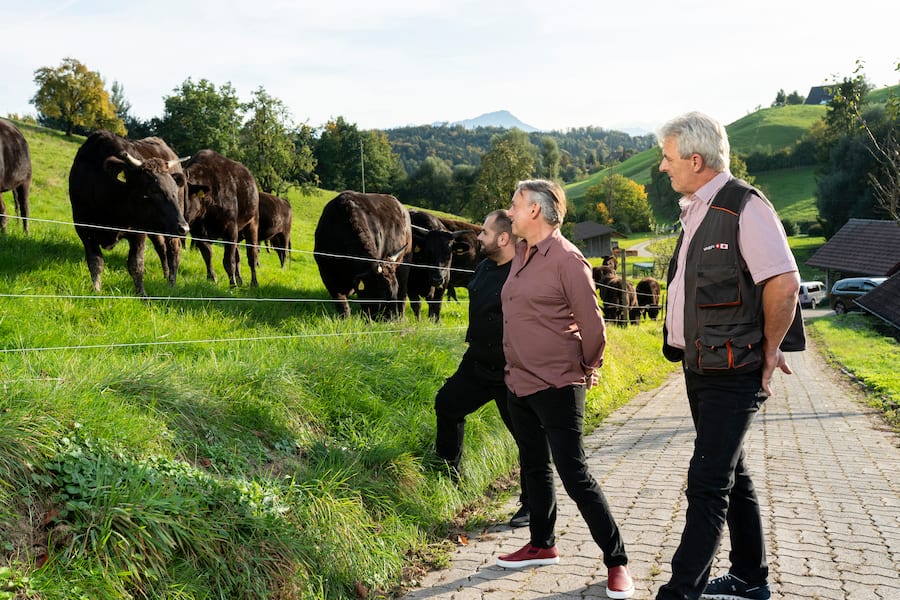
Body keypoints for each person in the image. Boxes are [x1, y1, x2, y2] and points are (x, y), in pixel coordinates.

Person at [655, 112, 802, 600]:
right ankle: (749, 576)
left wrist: (771, 348)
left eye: (669, 157)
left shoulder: (745, 206)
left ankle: (681, 592)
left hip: (733, 371)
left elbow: (782, 282)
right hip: (702, 366)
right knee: (732, 471)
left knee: (708, 480)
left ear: (695, 160)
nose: (662, 167)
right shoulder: (697, 208)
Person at [495, 180, 634, 600]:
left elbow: (594, 328)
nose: (510, 210)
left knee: (575, 474)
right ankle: (542, 544)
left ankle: (617, 561)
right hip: (518, 381)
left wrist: (589, 366)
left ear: (536, 211)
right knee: (533, 466)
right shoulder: (521, 254)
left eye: (516, 204)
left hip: (557, 384)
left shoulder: (568, 260)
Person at [434, 209, 529, 528]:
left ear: (504, 238)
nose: (478, 237)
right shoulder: (484, 267)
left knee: (526, 436)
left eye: (485, 233)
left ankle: (532, 503)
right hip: (476, 362)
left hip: (511, 369)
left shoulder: (525, 272)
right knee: (446, 404)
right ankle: (449, 474)